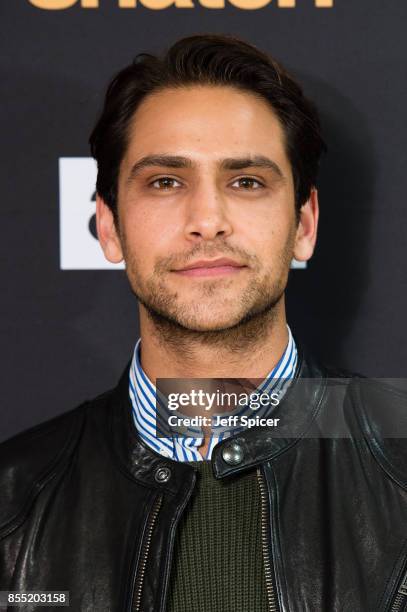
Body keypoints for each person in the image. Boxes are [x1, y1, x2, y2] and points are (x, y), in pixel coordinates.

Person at [1, 33, 407, 612]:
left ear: (304, 224)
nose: (207, 220)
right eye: (166, 181)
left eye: (246, 182)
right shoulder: (13, 504)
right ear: (109, 227)